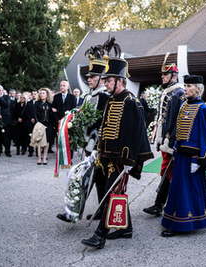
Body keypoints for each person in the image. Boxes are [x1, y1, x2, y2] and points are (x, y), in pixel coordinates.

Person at [81, 48, 154, 249]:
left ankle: (100, 236)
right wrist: (97, 150)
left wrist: (129, 162)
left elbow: (136, 135)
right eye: (105, 80)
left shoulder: (132, 103)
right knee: (112, 192)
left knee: (112, 194)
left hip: (121, 161)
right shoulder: (112, 100)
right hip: (105, 157)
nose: (105, 84)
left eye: (109, 81)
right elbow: (104, 128)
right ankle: (125, 229)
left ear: (120, 81)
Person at [161, 75, 206, 237]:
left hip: (193, 158)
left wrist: (198, 158)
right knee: (178, 188)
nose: (185, 89)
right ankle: (174, 219)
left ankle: (184, 223)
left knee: (188, 190)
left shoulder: (203, 108)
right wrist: (175, 148)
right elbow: (179, 131)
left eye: (189, 86)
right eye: (185, 85)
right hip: (181, 155)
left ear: (198, 89)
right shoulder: (183, 105)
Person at [56, 44, 110, 223]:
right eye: (89, 77)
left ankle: (89, 211)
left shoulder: (104, 96)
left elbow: (99, 120)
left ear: (102, 79)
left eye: (93, 77)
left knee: (93, 180)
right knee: (87, 179)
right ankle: (74, 212)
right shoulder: (88, 96)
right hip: (88, 145)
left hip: (97, 145)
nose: (89, 80)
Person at [143, 54, 185, 216]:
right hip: (164, 139)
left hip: (171, 140)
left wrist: (171, 140)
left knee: (169, 172)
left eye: (165, 74)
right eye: (162, 74)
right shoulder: (168, 92)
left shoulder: (178, 92)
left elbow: (177, 120)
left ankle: (161, 204)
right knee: (166, 171)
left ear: (174, 75)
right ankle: (161, 204)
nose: (162, 76)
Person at [33, 87, 54, 165]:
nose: (42, 94)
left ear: (47, 95)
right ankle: (39, 158)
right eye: (40, 93)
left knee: (47, 141)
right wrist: (37, 123)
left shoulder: (50, 103)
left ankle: (45, 157)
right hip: (40, 124)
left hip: (48, 124)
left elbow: (52, 114)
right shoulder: (37, 103)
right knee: (39, 141)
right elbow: (34, 114)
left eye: (43, 93)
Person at [26, 90, 37, 157]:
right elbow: (26, 112)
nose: (34, 95)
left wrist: (35, 119)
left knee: (37, 137)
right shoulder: (29, 103)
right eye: (32, 94)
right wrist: (31, 118)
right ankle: (30, 151)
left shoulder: (39, 103)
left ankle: (37, 151)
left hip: (37, 122)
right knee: (30, 137)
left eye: (35, 94)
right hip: (30, 122)